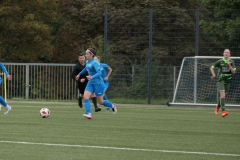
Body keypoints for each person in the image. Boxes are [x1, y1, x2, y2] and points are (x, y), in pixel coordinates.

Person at [75, 48, 117, 120]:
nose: (86, 55)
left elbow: (99, 73)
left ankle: (112, 105)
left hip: (98, 84)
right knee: (86, 97)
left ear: (91, 54)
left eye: (87, 54)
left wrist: (92, 77)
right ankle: (89, 114)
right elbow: (85, 69)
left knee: (100, 102)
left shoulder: (95, 63)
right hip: (91, 83)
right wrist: (79, 74)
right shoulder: (88, 61)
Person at [210, 49, 236, 117]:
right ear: (223, 54)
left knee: (223, 96)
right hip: (220, 80)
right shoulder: (220, 61)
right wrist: (214, 75)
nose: (226, 53)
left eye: (227, 52)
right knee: (223, 96)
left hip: (228, 81)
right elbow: (212, 67)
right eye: (225, 52)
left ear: (230, 54)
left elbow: (233, 72)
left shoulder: (231, 62)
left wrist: (229, 65)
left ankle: (218, 106)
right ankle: (223, 111)